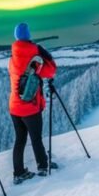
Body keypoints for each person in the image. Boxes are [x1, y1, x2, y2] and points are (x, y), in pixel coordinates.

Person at [8, 22, 58, 183]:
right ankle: (43, 166)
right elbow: (51, 71)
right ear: (28, 35)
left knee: (20, 139)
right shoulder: (35, 60)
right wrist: (45, 54)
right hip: (30, 107)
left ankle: (18, 172)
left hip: (15, 107)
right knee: (36, 138)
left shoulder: (12, 59)